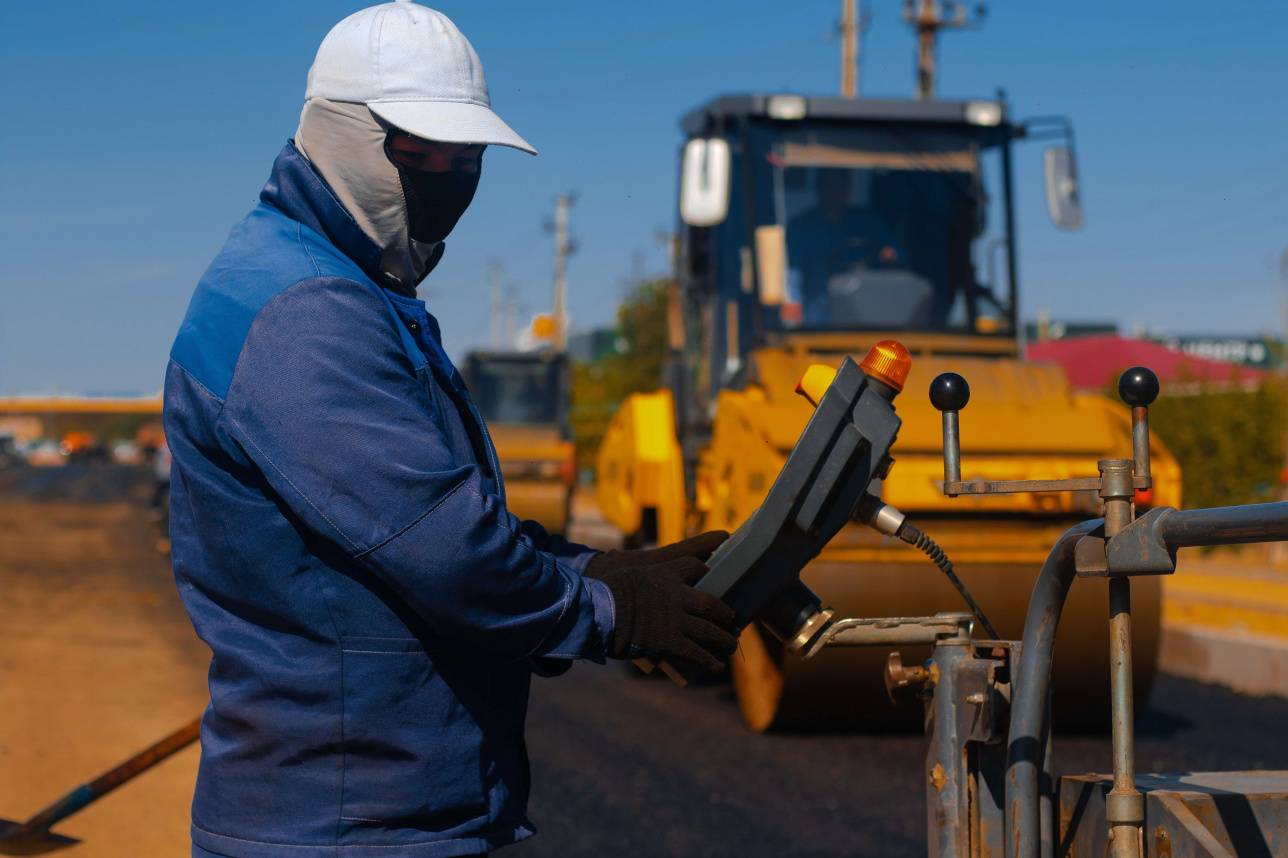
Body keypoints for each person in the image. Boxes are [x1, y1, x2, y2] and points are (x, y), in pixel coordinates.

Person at [163, 3, 737, 856]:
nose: (446, 173)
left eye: (465, 157)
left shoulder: (333, 284)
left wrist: (587, 563)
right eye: (417, 150)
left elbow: (424, 519)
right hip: (349, 821)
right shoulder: (309, 313)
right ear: (338, 133)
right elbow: (444, 554)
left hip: (365, 806)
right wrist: (614, 611)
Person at [786, 168, 904, 324]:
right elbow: (791, 271)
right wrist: (793, 304)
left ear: (848, 190)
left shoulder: (867, 222)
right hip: (815, 323)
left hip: (864, 319)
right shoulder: (801, 228)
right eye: (829, 186)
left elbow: (897, 255)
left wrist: (889, 255)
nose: (834, 192)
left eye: (840, 186)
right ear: (819, 188)